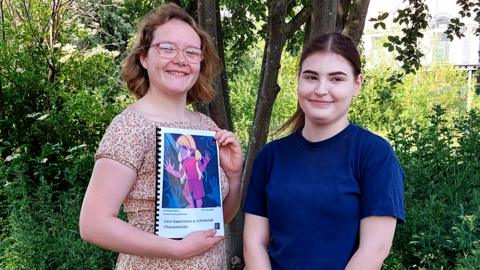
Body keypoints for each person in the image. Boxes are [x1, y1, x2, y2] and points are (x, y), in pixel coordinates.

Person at [79, 3, 243, 269]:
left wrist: (234, 176)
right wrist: (176, 250)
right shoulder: (130, 126)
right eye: (167, 48)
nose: (180, 59)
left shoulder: (206, 127)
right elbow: (93, 224)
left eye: (192, 52)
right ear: (144, 57)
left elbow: (217, 220)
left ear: (201, 62)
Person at [243, 32, 405, 270]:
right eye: (311, 77)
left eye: (336, 79)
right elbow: (253, 243)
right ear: (298, 79)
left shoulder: (374, 155)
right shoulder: (271, 156)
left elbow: (375, 249)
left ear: (357, 84)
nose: (321, 89)